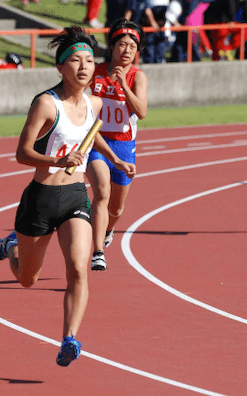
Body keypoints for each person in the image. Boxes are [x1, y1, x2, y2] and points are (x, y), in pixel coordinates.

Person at [0, 26, 135, 367]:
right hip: (40, 199)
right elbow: (22, 152)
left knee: (78, 269)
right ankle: (10, 246)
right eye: (75, 60)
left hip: (74, 197)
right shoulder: (45, 103)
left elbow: (90, 132)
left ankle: (69, 338)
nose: (84, 67)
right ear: (60, 67)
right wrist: (57, 159)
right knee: (28, 279)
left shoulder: (94, 103)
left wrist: (115, 159)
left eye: (88, 60)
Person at [87, 19, 147, 271]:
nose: (127, 51)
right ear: (112, 47)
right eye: (122, 45)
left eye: (132, 47)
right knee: (101, 191)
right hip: (97, 142)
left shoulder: (137, 76)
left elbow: (142, 111)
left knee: (117, 206)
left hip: (124, 146)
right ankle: (98, 251)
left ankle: (109, 228)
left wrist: (123, 85)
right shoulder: (96, 71)